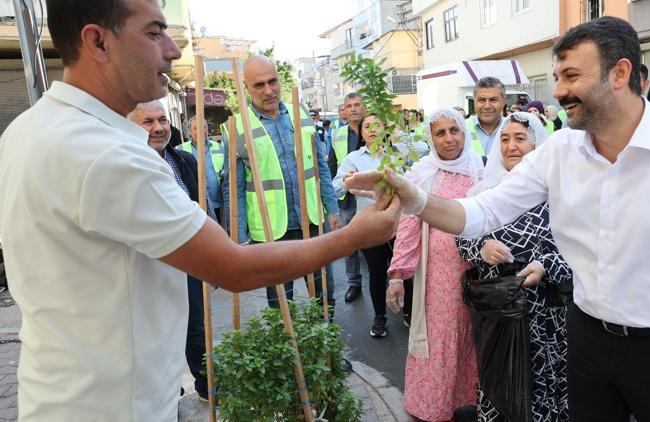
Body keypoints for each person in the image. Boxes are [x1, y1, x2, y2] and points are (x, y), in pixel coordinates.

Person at [0, 2, 400, 419]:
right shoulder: (109, 155)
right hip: (116, 406)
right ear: (98, 41)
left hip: (59, 395)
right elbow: (234, 269)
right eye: (155, 32)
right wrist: (355, 235)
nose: (173, 50)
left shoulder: (28, 129)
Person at [346, 16, 650, 421]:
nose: (558, 91)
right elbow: (482, 211)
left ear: (620, 73)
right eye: (557, 76)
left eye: (571, 75)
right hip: (587, 339)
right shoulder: (560, 151)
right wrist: (413, 197)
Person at [457, 112, 572, 422]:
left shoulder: (558, 195)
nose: (511, 146)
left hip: (544, 317)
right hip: (499, 314)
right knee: (499, 384)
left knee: (542, 388)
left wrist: (546, 265)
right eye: (505, 139)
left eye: (521, 138)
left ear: (537, 147)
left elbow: (579, 253)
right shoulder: (485, 192)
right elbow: (461, 239)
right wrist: (480, 247)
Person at [385, 108, 483, 421]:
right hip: (440, 277)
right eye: (440, 133)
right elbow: (409, 225)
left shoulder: (478, 168)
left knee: (474, 333)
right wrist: (398, 276)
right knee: (441, 336)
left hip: (478, 272)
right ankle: (434, 407)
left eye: (454, 130)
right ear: (431, 138)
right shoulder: (423, 172)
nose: (449, 138)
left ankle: (468, 398)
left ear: (464, 133)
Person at [222, 56, 340, 310]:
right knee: (280, 305)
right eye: (259, 85)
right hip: (271, 231)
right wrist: (240, 237)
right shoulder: (237, 127)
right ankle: (288, 347)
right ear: (247, 88)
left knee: (324, 296)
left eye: (273, 81)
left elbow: (320, 167)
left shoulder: (301, 114)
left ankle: (324, 349)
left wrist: (332, 208)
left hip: (311, 221)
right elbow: (235, 189)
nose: (269, 90)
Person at [129, 100, 215, 403]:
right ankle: (166, 391)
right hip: (150, 264)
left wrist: (213, 257)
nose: (158, 128)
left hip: (189, 259)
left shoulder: (185, 161)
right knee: (156, 331)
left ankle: (207, 384)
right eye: (148, 122)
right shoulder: (128, 166)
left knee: (196, 326)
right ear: (132, 127)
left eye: (162, 120)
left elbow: (203, 211)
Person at [332, 114, 410, 337]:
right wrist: (348, 180)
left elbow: (423, 150)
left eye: (377, 125)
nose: (372, 130)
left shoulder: (397, 154)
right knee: (376, 273)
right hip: (370, 226)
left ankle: (409, 312)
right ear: (361, 132)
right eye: (367, 126)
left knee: (403, 270)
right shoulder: (353, 158)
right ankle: (379, 317)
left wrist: (398, 134)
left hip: (400, 223)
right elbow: (337, 186)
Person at [329, 93, 366, 303]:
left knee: (379, 241)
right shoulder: (338, 134)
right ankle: (354, 283)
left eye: (357, 105)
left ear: (364, 107)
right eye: (349, 105)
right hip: (347, 199)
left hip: (373, 197)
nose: (353, 109)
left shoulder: (375, 129)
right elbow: (332, 165)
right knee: (349, 242)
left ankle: (388, 280)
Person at [178, 115, 225, 222]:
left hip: (218, 204)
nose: (201, 131)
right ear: (189, 131)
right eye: (196, 128)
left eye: (204, 127)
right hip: (193, 206)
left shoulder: (220, 147)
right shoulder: (180, 150)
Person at [467, 77, 506, 156]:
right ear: (474, 101)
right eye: (481, 100)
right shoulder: (461, 129)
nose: (487, 106)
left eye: (493, 100)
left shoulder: (514, 128)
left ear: (504, 101)